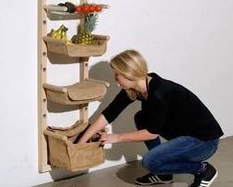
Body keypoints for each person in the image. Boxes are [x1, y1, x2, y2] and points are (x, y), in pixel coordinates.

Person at [78, 49, 223, 187]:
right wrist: (81, 144)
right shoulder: (134, 89)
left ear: (129, 73)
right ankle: (165, 174)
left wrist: (116, 137)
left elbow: (151, 133)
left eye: (117, 74)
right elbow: (109, 114)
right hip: (187, 136)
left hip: (204, 142)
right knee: (141, 118)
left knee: (150, 161)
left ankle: (203, 170)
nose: (115, 79)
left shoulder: (160, 92)